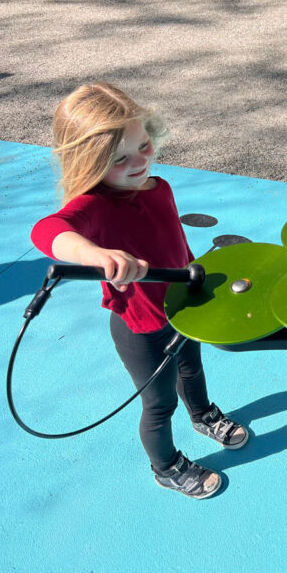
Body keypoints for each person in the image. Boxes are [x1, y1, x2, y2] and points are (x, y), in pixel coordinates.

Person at [31, 82, 247, 500]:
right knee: (160, 403)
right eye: (119, 159)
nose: (140, 161)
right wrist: (91, 252)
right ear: (89, 163)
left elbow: (174, 244)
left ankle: (203, 414)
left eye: (143, 145)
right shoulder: (96, 204)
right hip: (141, 327)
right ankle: (166, 466)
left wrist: (194, 275)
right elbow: (48, 230)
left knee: (193, 370)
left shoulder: (158, 186)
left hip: (183, 308)